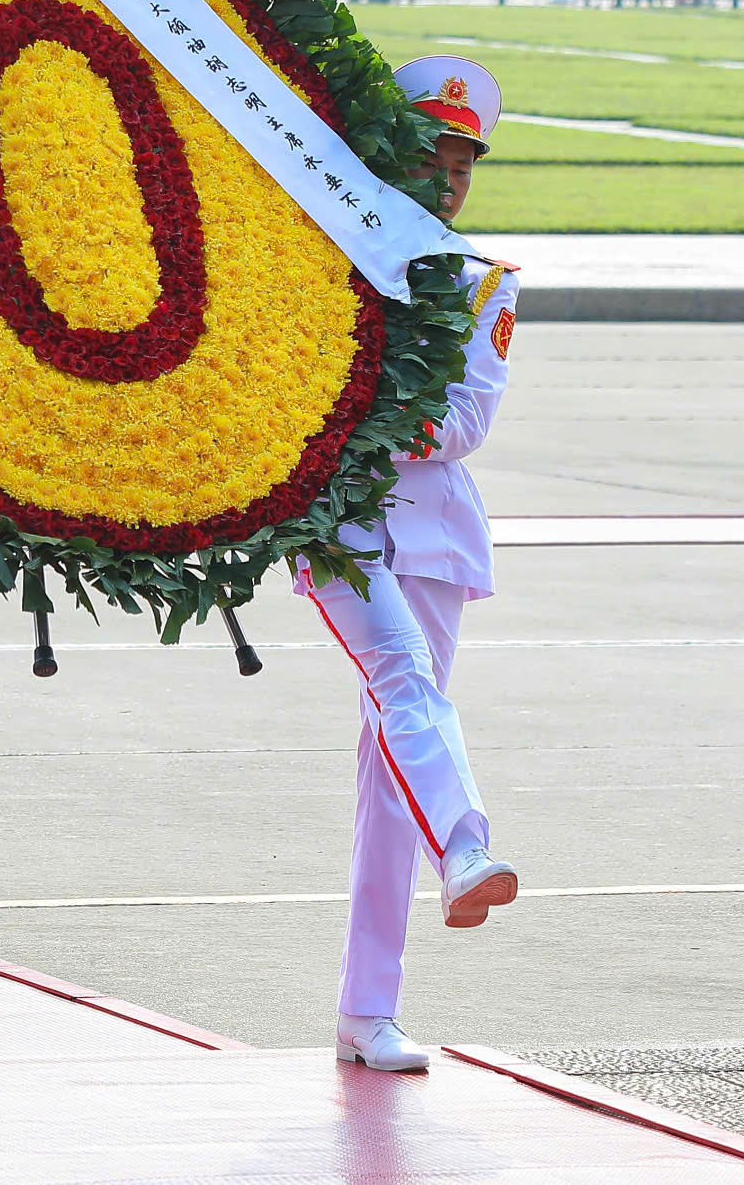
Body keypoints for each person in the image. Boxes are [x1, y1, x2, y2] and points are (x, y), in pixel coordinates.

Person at [313, 55, 521, 1074]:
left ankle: (367, 1008)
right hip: (340, 524)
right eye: (431, 156)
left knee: (393, 758)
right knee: (402, 684)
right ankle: (468, 844)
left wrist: (363, 410)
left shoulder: (485, 284)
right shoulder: (324, 260)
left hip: (432, 535)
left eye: (462, 164)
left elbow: (461, 422)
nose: (446, 179)